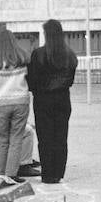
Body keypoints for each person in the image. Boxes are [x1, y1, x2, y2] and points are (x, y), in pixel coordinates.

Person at [27, 19, 78, 184]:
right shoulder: (70, 55)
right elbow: (70, 80)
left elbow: (31, 81)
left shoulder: (38, 54)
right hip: (63, 99)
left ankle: (48, 173)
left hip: (43, 100)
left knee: (45, 137)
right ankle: (58, 172)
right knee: (61, 136)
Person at [0, 23, 34, 183]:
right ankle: (12, 173)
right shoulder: (22, 58)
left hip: (1, 103)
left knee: (1, 139)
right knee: (16, 138)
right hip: (20, 101)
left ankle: (0, 174)